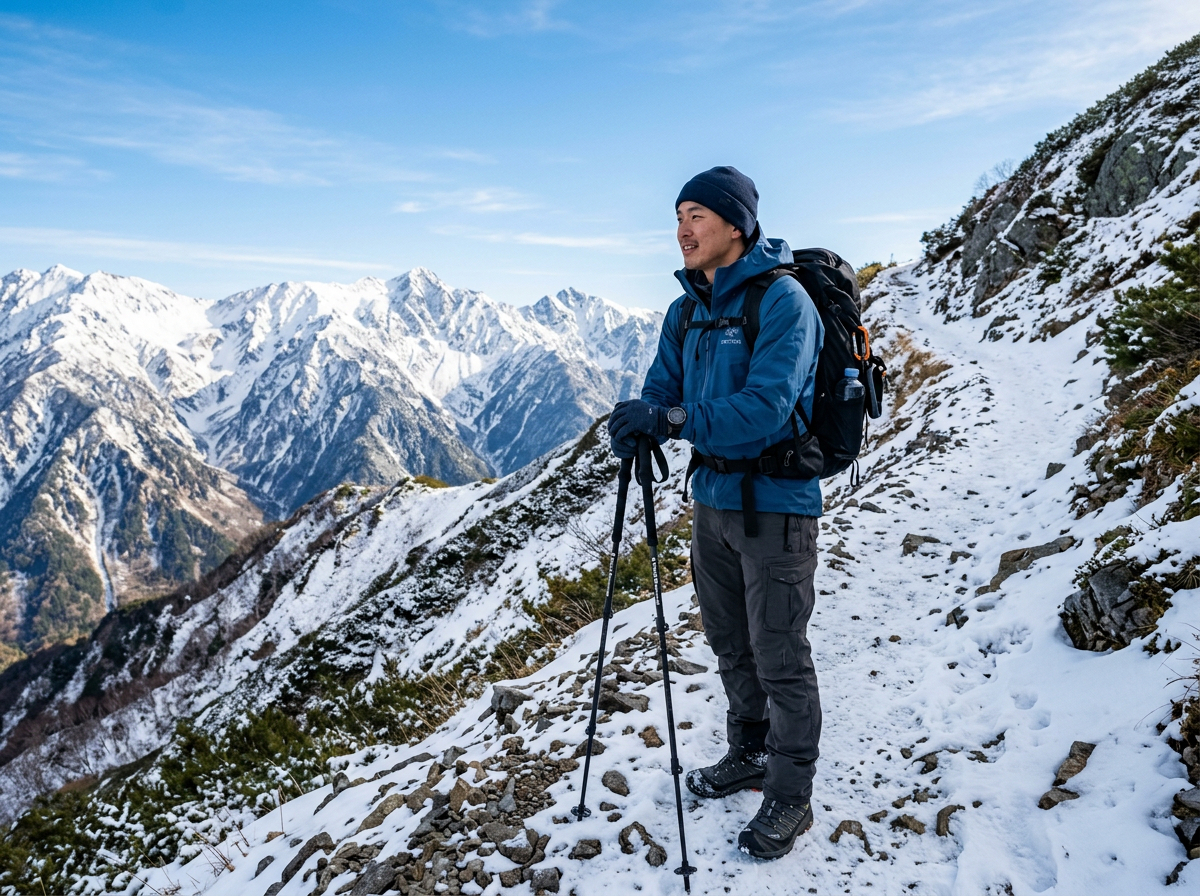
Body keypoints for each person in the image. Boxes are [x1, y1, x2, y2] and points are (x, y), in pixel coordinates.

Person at [607, 166, 823, 860]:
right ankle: (748, 753)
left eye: (696, 215)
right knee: (731, 643)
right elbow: (661, 386)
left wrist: (672, 417)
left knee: (780, 654)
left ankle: (791, 794)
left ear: (737, 225)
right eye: (677, 216)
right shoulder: (686, 310)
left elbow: (766, 407)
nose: (682, 230)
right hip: (712, 502)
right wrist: (639, 423)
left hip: (777, 504)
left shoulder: (784, 302)